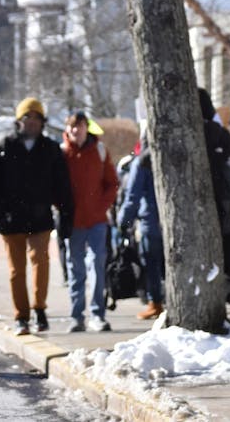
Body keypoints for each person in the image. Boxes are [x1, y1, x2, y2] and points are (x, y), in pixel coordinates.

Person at [0, 97, 74, 336]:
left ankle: (39, 309)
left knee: (41, 263)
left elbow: (62, 185)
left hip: (40, 218)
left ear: (43, 122)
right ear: (19, 121)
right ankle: (21, 316)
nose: (32, 122)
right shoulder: (4, 146)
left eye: (36, 118)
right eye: (27, 117)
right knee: (16, 270)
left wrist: (65, 213)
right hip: (11, 220)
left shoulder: (50, 148)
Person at [61, 111, 120, 333]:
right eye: (73, 126)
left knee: (97, 264)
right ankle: (77, 316)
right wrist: (63, 208)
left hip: (96, 220)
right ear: (68, 129)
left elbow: (112, 183)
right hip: (72, 221)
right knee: (75, 268)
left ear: (87, 128)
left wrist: (101, 206)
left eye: (81, 126)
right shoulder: (61, 154)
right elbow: (54, 186)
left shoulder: (100, 151)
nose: (77, 130)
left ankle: (98, 314)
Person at [198, 88, 230, 324]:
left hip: (204, 207)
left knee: (208, 262)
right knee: (226, 259)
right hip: (226, 206)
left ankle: (222, 302)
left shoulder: (192, 132)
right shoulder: (218, 131)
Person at [118, 141, 165, 320]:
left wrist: (124, 222)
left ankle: (155, 303)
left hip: (150, 221)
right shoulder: (174, 153)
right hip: (168, 222)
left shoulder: (142, 162)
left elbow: (132, 196)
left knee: (151, 263)